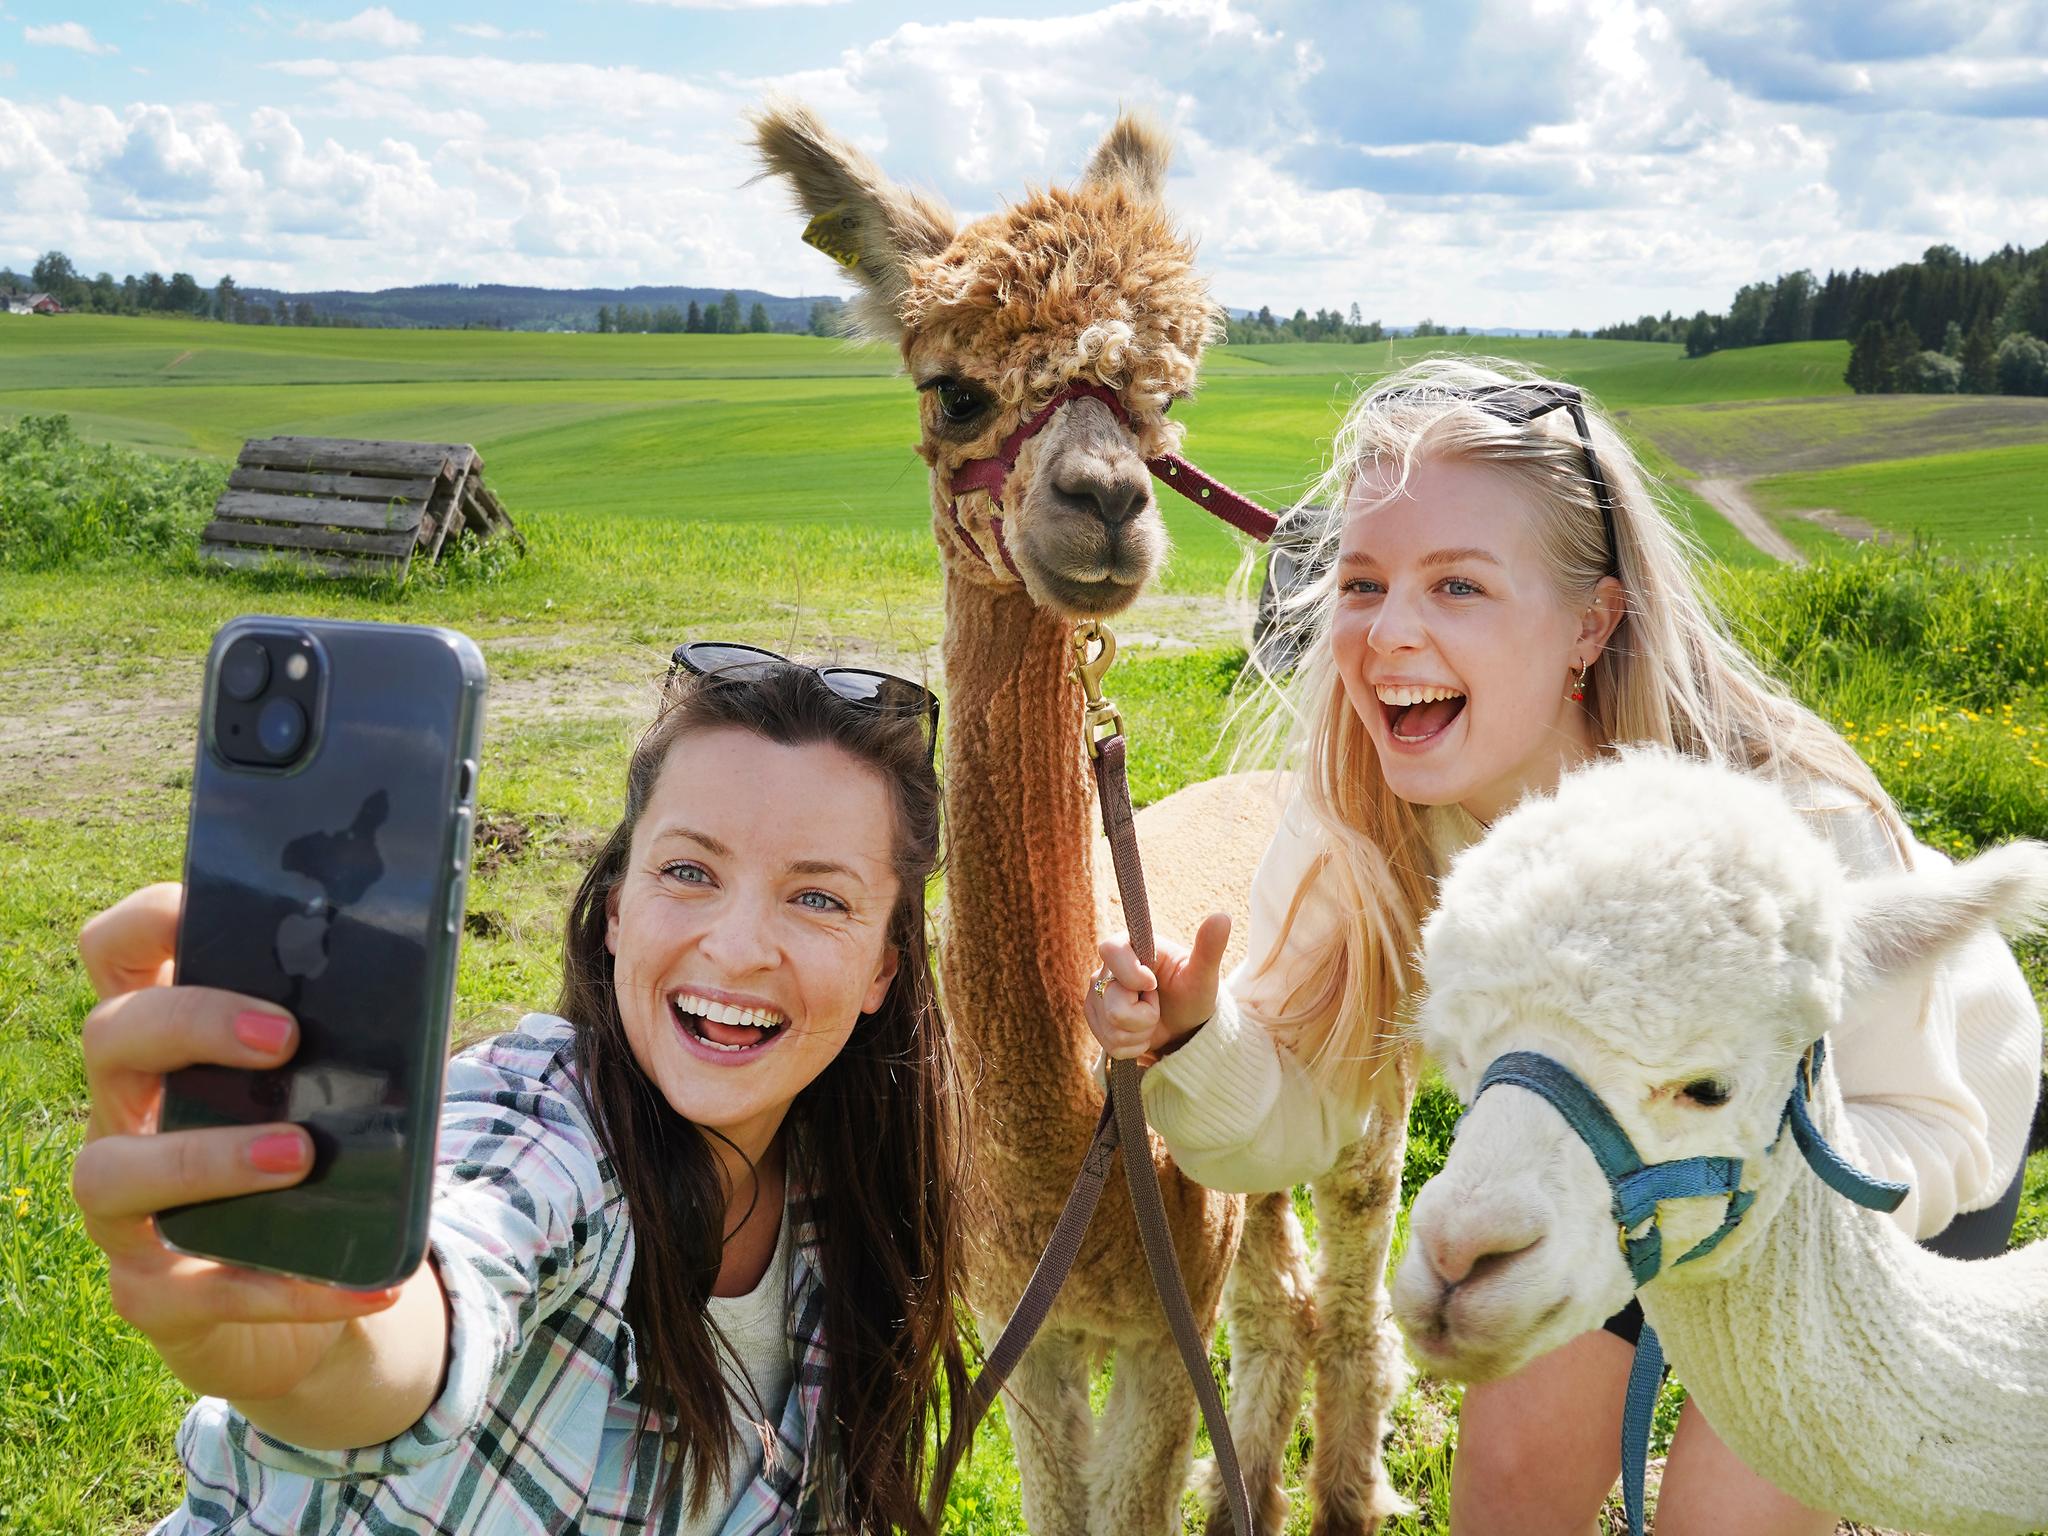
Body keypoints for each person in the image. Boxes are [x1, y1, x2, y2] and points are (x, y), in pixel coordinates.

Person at [1082, 357, 2044, 1536]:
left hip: (1860, 1174)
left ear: (1588, 622)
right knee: (1507, 1492)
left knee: (1723, 1518)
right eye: (1364, 582)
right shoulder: (1366, 817)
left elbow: (1930, 1118)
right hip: (1604, 1167)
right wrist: (1198, 1040)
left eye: (1458, 588)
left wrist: (1700, 1222)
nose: (1390, 633)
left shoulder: (1783, 817)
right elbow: (1294, 1114)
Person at [72, 647, 967, 1535]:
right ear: (617, 909)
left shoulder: (847, 1185)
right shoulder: (546, 1129)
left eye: (818, 899)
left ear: (884, 968)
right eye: (689, 872)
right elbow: (461, 1258)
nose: (736, 949)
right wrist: (324, 1344)